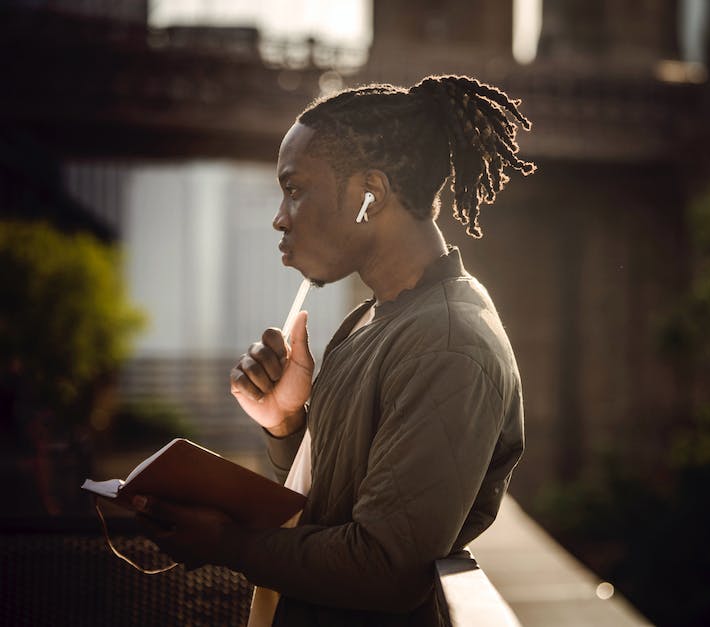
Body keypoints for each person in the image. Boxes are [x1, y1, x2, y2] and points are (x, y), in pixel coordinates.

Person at [133, 75, 534, 626]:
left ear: (369, 194)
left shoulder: (446, 343)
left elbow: (383, 568)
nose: (280, 216)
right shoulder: (369, 320)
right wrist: (286, 425)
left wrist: (228, 545)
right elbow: (330, 507)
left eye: (294, 189)